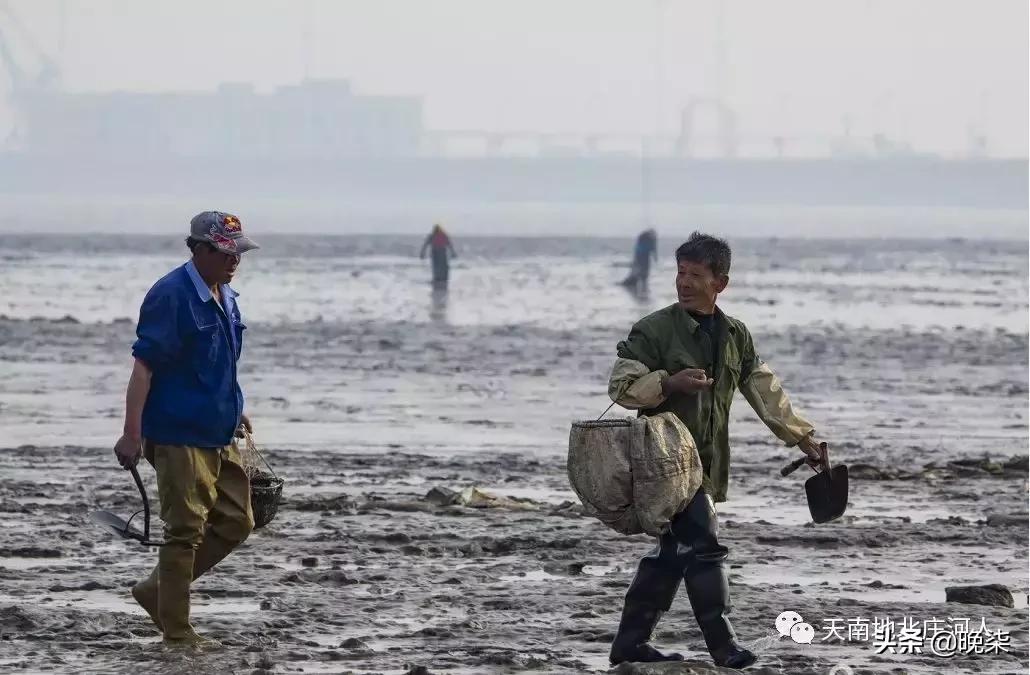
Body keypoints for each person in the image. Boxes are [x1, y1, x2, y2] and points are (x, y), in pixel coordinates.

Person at [606, 231, 826, 669]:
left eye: (695, 275)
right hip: (662, 467)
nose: (684, 283)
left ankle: (629, 646)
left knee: (670, 556)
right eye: (680, 273)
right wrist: (669, 383)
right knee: (704, 545)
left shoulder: (735, 335)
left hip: (706, 464)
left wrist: (804, 438)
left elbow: (765, 392)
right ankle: (723, 647)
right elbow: (621, 388)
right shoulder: (652, 330)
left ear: (719, 283)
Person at [112, 211, 260, 647]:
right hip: (177, 432)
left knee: (237, 521)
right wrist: (132, 433)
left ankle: (156, 591)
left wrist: (237, 407)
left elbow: (220, 363)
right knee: (185, 530)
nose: (234, 260)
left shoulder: (227, 296)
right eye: (224, 252)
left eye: (238, 252)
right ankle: (176, 631)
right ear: (198, 249)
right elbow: (144, 367)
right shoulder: (171, 295)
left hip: (218, 429)